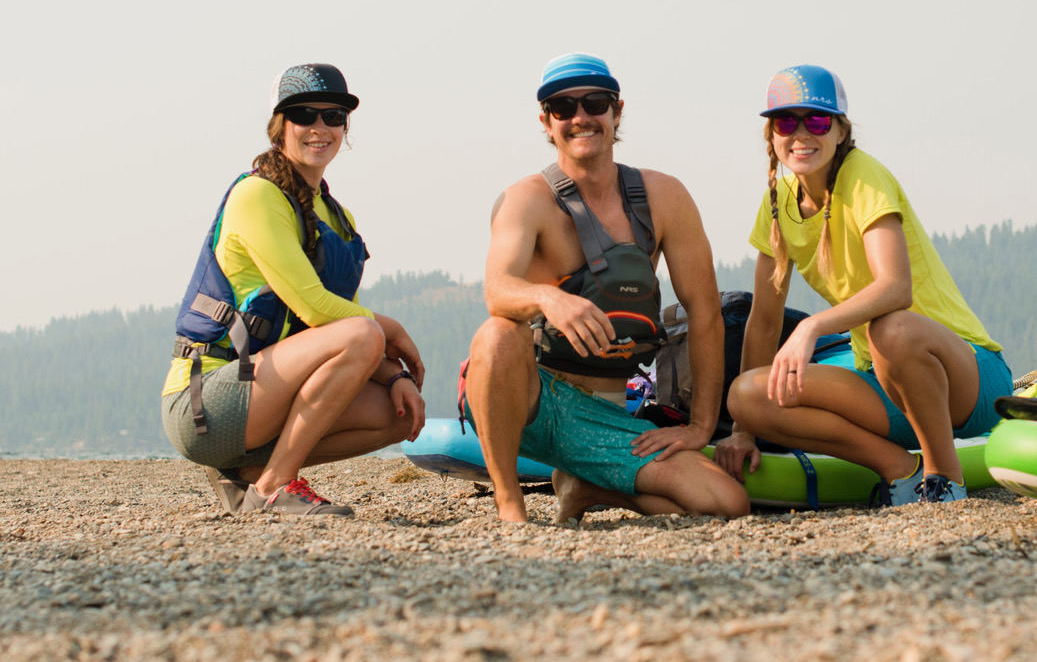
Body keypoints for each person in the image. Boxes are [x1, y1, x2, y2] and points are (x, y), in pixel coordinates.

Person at [463, 52, 750, 524]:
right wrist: (548, 297)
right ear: (546, 121)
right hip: (538, 398)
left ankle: (585, 487)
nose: (580, 117)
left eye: (595, 103)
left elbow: (704, 314)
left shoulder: (665, 197)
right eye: (563, 108)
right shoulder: (526, 200)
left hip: (616, 410)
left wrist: (700, 427)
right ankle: (510, 503)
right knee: (496, 333)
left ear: (617, 111)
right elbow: (497, 290)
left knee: (727, 502)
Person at [715, 65, 1012, 506]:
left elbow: (896, 288)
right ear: (771, 136)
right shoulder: (778, 199)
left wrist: (811, 327)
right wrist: (742, 434)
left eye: (816, 120)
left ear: (840, 131)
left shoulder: (863, 177)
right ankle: (900, 470)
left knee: (890, 327)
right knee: (747, 396)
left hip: (965, 377)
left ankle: (944, 479)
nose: (801, 134)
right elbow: (762, 320)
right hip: (882, 381)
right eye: (785, 122)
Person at [161, 63, 426, 516]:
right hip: (206, 400)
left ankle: (245, 474)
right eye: (304, 115)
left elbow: (342, 328)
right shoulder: (257, 196)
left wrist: (396, 378)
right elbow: (318, 311)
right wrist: (392, 328)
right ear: (279, 126)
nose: (320, 127)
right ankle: (274, 486)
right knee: (364, 334)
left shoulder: (337, 216)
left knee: (397, 412)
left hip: (264, 395)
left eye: (334, 116)